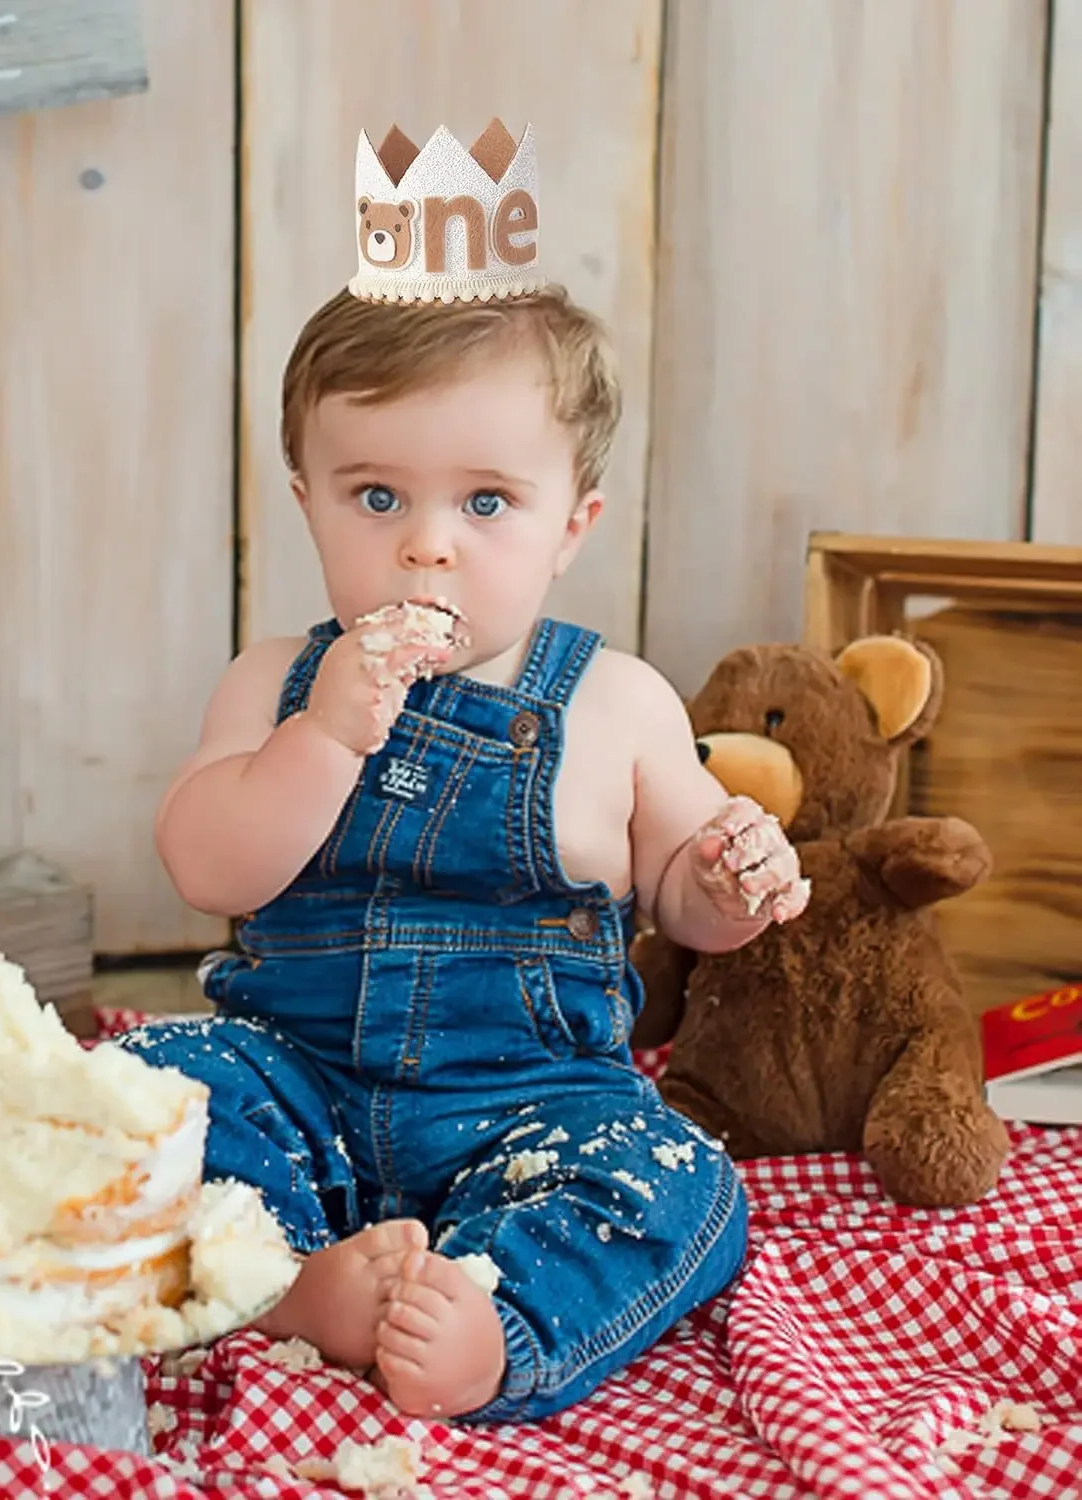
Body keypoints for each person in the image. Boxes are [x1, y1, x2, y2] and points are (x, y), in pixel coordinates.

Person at [117, 119, 808, 1424]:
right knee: (134, 1089)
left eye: (485, 503)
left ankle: (498, 1323)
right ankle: (286, 1285)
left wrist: (731, 872)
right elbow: (209, 862)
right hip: (298, 1085)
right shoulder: (275, 679)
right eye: (377, 497)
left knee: (688, 1184)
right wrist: (323, 733)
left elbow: (684, 900)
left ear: (571, 524)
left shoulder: (617, 702)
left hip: (532, 1110)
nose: (426, 549)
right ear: (308, 494)